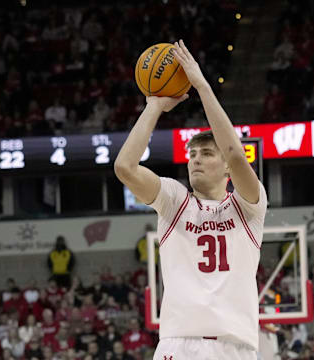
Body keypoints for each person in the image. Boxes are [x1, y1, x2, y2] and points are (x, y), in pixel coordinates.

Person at [114, 39, 267, 360]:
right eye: (191, 154)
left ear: (223, 165)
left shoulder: (249, 206)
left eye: (206, 153)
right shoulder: (174, 199)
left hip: (235, 348)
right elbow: (125, 168)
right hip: (179, 345)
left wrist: (201, 86)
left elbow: (237, 156)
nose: (195, 159)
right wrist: (153, 106)